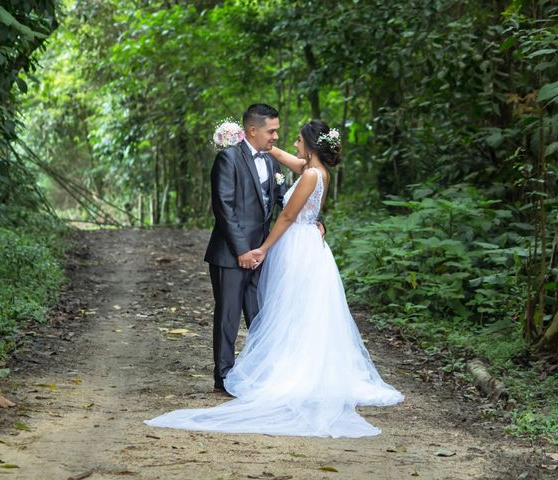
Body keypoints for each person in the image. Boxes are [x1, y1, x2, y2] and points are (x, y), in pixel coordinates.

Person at [145, 120, 404, 437]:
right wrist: (253, 141)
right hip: (306, 244)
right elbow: (285, 160)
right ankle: (281, 367)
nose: (291, 142)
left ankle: (292, 373)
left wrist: (264, 249)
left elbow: (287, 215)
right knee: (292, 311)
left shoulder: (310, 174)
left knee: (288, 309)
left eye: (297, 139)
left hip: (296, 245)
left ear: (309, 144)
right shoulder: (314, 169)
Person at [202, 104, 287, 394]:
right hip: (230, 254)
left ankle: (262, 373)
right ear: (253, 130)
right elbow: (223, 207)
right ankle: (223, 377)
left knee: (259, 314)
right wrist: (241, 250)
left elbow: (285, 197)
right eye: (271, 131)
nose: (276, 136)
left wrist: (315, 218)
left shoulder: (272, 162)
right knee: (228, 315)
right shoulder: (228, 158)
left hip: (261, 252)